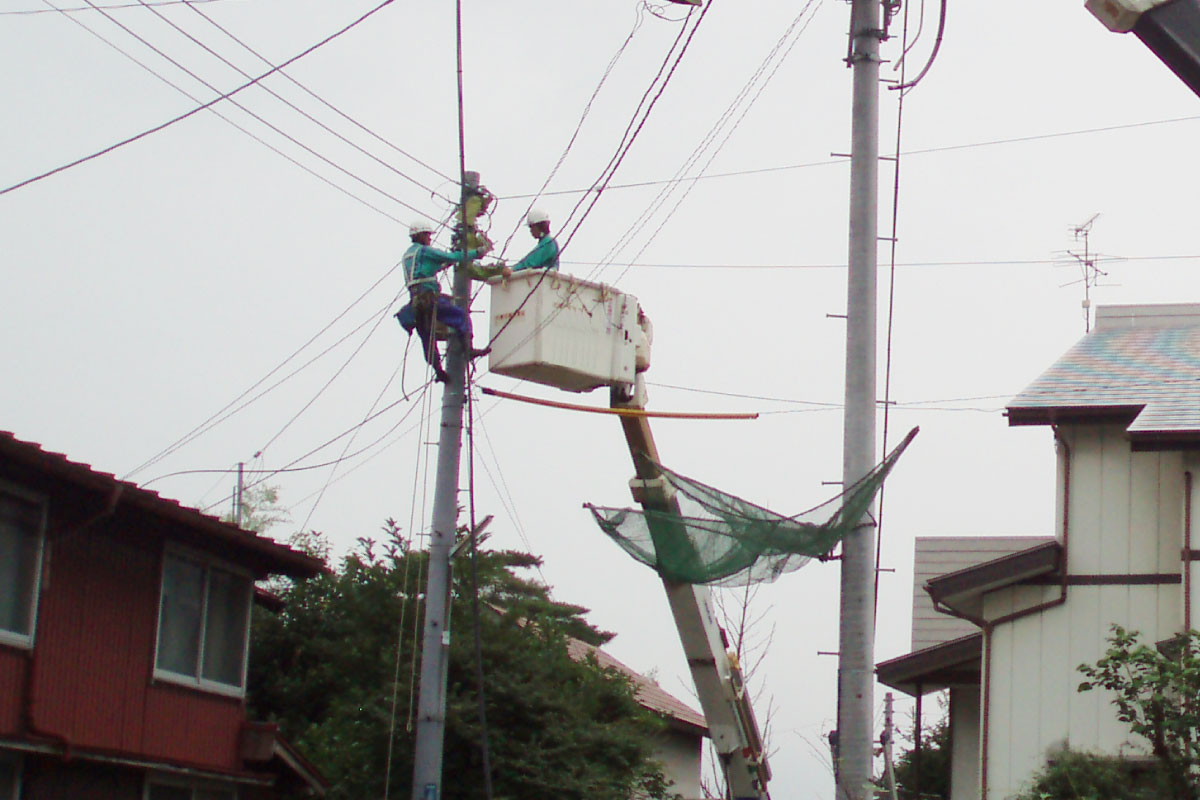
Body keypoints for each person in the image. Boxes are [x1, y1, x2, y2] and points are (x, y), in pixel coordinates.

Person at [396, 219, 490, 383]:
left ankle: (438, 371)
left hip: (415, 302)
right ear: (421, 235)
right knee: (460, 315)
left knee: (427, 336)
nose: (430, 239)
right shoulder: (425, 251)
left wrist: (443, 265)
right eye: (428, 235)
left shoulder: (408, 255)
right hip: (429, 297)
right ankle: (468, 349)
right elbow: (453, 256)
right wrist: (477, 252)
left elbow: (426, 269)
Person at [502, 208, 559, 277]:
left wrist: (513, 269)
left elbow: (532, 261)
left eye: (531, 227)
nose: (531, 230)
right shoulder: (545, 242)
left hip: (544, 279)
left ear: (540, 226)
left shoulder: (548, 243)